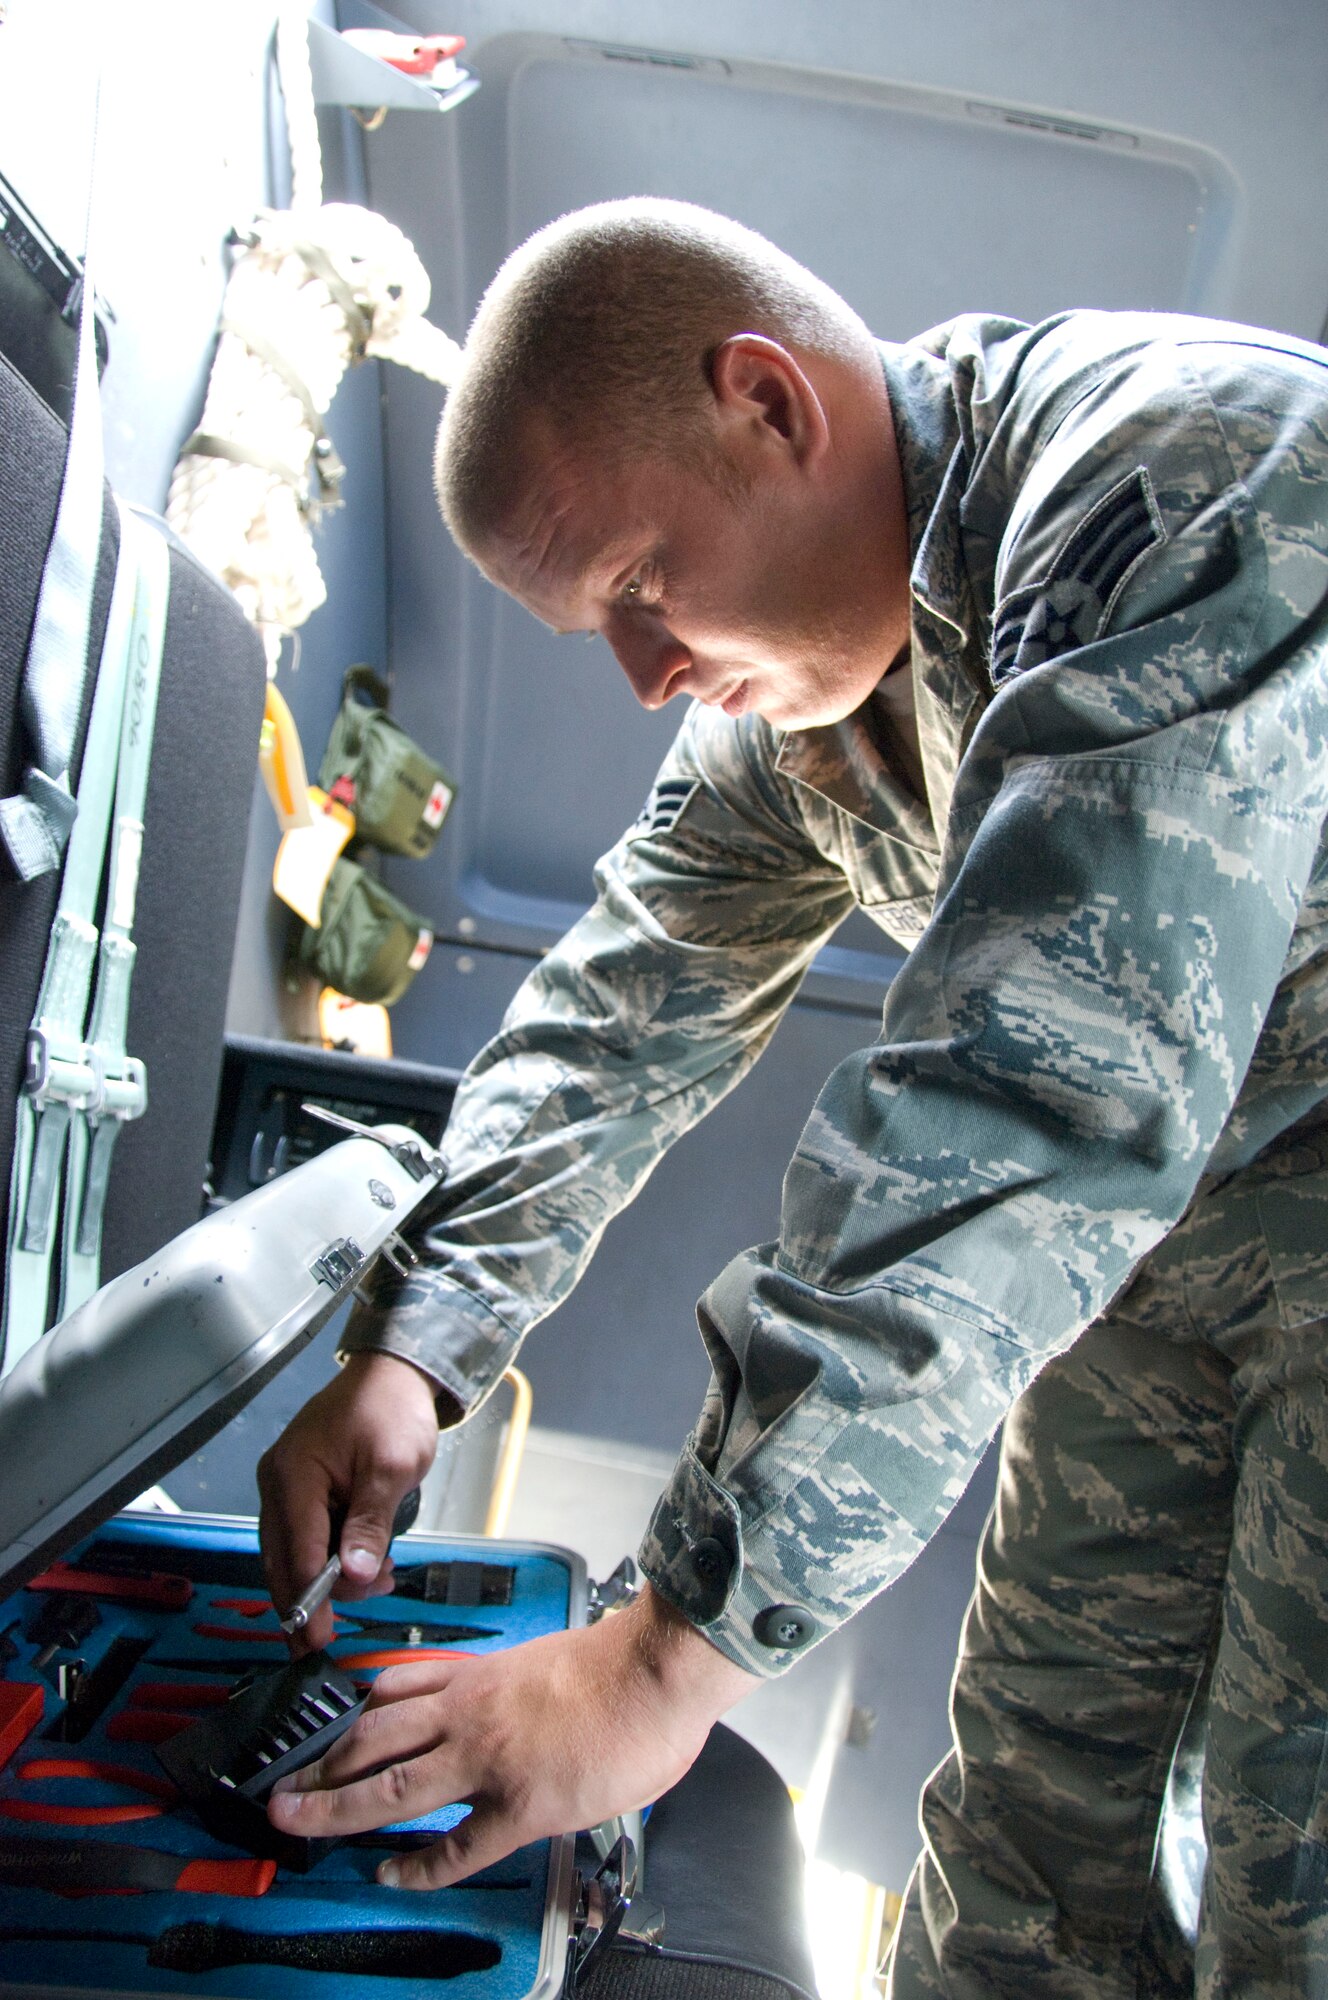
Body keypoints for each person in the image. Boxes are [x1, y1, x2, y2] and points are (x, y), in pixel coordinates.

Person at [257, 199, 1328, 1995]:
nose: (648, 681)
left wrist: (662, 1659)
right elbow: (620, 1011)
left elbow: (1033, 1083)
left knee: (1293, 1875)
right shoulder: (800, 717)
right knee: (1024, 1848)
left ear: (768, 403)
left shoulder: (1187, 473)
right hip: (1154, 1271)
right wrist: (412, 1347)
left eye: (641, 587)